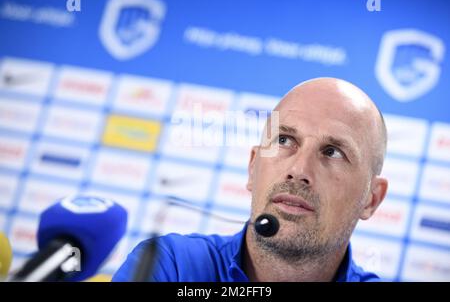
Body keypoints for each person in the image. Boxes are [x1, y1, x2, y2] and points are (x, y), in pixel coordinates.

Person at [112, 77, 389, 282]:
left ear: (371, 199)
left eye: (333, 152)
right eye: (284, 140)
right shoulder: (172, 267)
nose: (299, 170)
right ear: (253, 166)